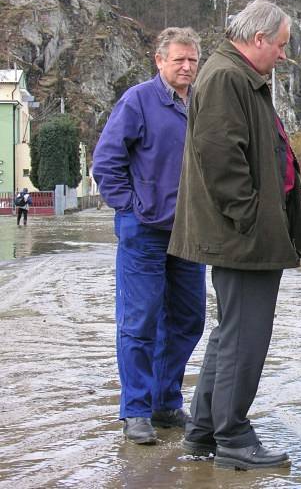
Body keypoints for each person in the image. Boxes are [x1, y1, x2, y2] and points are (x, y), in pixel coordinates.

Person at [167, 0, 301, 470]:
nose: (283, 55)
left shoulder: (234, 75)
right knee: (245, 338)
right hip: (242, 238)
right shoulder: (229, 77)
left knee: (230, 334)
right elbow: (221, 156)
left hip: (242, 234)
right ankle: (233, 437)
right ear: (260, 39)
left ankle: (203, 431)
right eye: (282, 45)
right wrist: (250, 218)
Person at [93, 27, 206, 445]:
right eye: (178, 59)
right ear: (159, 61)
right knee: (139, 321)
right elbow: (106, 162)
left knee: (189, 319)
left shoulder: (201, 104)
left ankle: (164, 401)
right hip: (144, 232)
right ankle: (136, 411)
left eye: (192, 59)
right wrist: (132, 207)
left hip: (190, 233)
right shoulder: (138, 100)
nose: (186, 66)